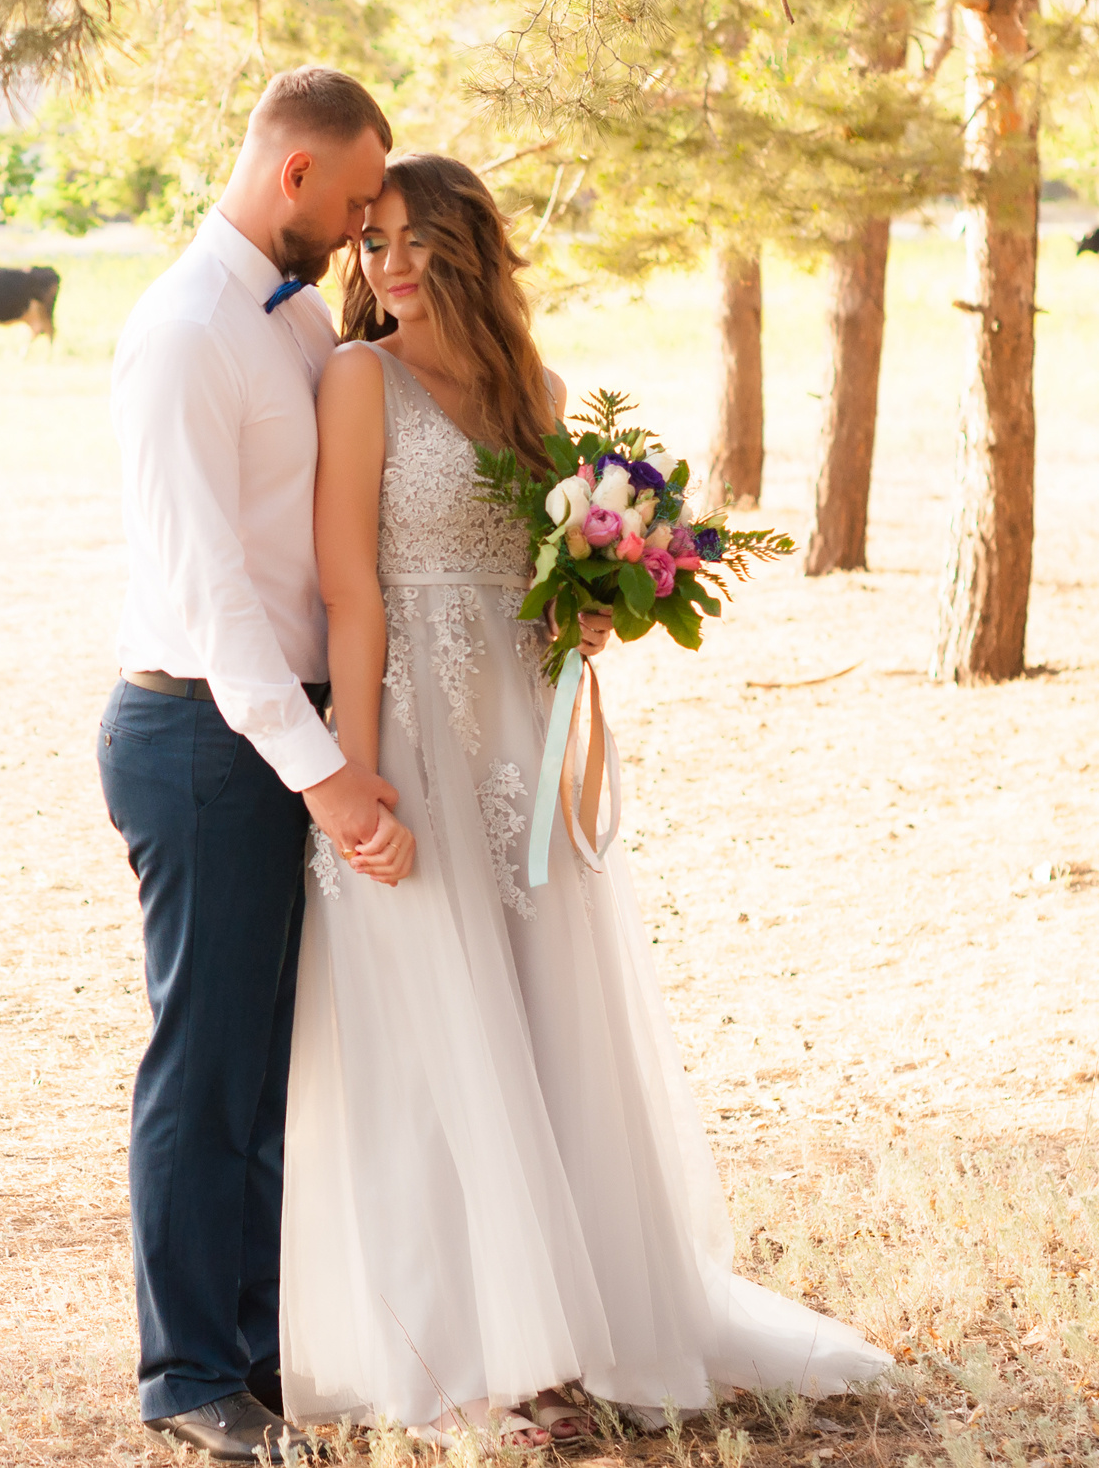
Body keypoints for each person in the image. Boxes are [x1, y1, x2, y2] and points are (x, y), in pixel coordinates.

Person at [279, 152, 894, 1449]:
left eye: (413, 239)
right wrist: (358, 773)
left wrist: (597, 608)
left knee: (544, 1021)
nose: (388, 263)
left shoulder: (538, 394)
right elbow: (349, 588)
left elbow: (547, 575)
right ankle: (458, 1358)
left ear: (467, 248)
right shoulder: (358, 379)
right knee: (431, 1033)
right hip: (411, 729)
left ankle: (566, 1332)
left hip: (522, 735)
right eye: (372, 241)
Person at [94, 66, 403, 1465]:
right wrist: (322, 771)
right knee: (207, 1066)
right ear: (296, 175)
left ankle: (261, 1347)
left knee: (270, 1077)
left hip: (274, 732)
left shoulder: (293, 319)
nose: (360, 230)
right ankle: (189, 1375)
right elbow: (212, 595)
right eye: (355, 202)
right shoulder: (182, 333)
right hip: (204, 738)